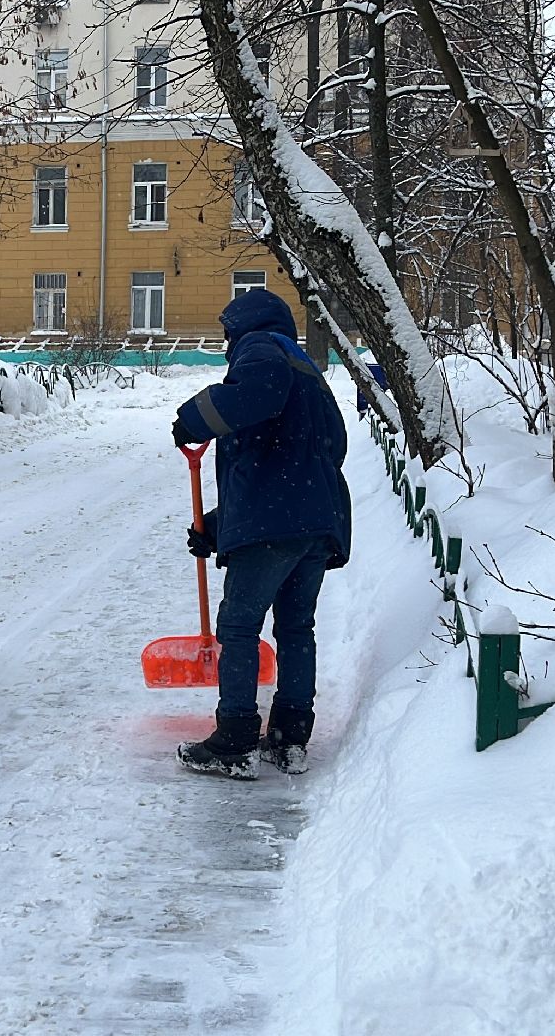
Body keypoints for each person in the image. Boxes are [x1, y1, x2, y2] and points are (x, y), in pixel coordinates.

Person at [170, 290, 351, 778]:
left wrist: (193, 417)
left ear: (242, 326)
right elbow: (308, 454)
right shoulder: (308, 370)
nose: (228, 343)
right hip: (316, 523)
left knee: (239, 627)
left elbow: (254, 397)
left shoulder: (261, 349)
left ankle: (234, 739)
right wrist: (221, 525)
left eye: (228, 332)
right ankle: (290, 737)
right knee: (295, 628)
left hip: (277, 523)